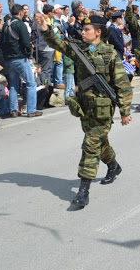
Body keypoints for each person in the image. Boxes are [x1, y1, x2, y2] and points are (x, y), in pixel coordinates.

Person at [35, 12, 133, 209]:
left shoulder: (110, 53)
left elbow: (123, 85)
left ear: (98, 32)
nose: (83, 32)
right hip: (85, 108)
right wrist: (45, 29)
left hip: (103, 109)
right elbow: (59, 44)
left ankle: (83, 190)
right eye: (83, 29)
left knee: (90, 145)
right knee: (98, 141)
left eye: (87, 30)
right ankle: (113, 166)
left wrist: (125, 111)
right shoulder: (79, 50)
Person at [0, 4, 42, 118]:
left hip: (9, 58)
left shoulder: (5, 25)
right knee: (31, 84)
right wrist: (29, 51)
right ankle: (31, 109)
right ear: (21, 12)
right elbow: (26, 41)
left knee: (13, 85)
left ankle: (13, 110)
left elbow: (1, 41)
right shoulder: (20, 24)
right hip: (20, 57)